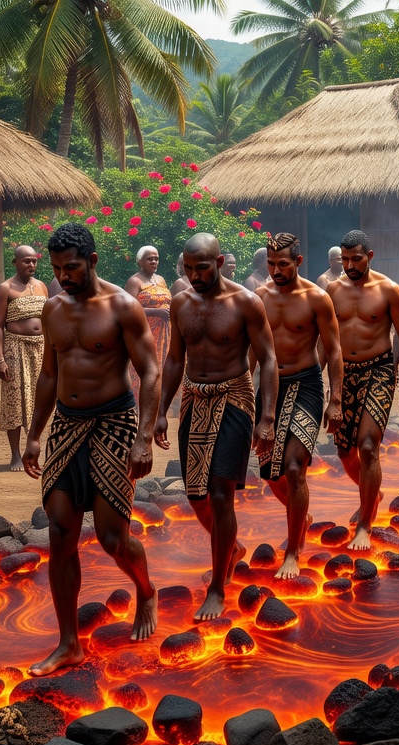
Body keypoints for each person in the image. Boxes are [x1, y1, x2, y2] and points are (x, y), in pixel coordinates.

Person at [22, 223, 160, 675]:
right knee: (60, 536)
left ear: (93, 261)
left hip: (114, 425)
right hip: (66, 424)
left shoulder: (122, 306)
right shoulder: (52, 308)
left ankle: (145, 590)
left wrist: (143, 438)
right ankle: (69, 643)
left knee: (112, 539)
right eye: (58, 268)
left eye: (73, 267)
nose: (64, 275)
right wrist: (35, 432)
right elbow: (48, 373)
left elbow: (151, 372)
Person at [156, 234, 277, 621]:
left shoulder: (245, 302)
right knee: (196, 496)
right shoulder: (181, 303)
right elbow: (175, 359)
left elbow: (269, 359)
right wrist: (161, 409)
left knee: (221, 492)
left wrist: (267, 419)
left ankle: (218, 588)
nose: (194, 276)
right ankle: (232, 547)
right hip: (193, 398)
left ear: (220, 262)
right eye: (188, 269)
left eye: (202, 267)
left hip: (235, 399)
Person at [255, 234, 343, 568]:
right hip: (268, 388)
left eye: (283, 264)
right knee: (271, 473)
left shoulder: (317, 298)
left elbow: (333, 350)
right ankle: (300, 516)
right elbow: (252, 350)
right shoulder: (259, 298)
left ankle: (293, 551)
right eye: (271, 264)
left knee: (294, 468)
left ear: (299, 262)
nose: (276, 270)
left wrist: (335, 400)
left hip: (306, 385)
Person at [326, 230, 399, 547]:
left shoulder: (389, 290)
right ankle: (372, 491)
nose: (350, 265)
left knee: (367, 447)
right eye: (345, 259)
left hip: (378, 370)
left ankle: (365, 523)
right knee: (344, 451)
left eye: (356, 259)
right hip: (343, 374)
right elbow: (325, 342)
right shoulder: (331, 290)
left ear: (370, 256)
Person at [0, 246, 48, 471]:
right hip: (15, 348)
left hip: (41, 349)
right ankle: (15, 454)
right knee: (15, 400)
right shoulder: (5, 288)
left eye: (34, 261)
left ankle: (32, 447)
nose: (31, 265)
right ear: (15, 262)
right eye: (26, 261)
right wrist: (0, 359)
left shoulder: (42, 287)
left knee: (41, 399)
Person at [124, 245, 173, 403]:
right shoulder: (134, 281)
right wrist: (154, 312)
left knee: (163, 367)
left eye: (156, 258)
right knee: (145, 368)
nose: (154, 261)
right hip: (146, 333)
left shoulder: (161, 280)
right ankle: (140, 404)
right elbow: (128, 310)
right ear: (140, 261)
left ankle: (160, 403)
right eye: (149, 259)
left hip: (165, 333)